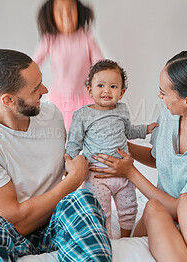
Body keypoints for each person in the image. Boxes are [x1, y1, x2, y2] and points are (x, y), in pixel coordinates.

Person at [0, 49, 112, 262]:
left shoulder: (51, 115)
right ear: (8, 100)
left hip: (56, 221)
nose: (45, 90)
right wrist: (73, 180)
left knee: (83, 200)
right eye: (36, 89)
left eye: (42, 82)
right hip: (8, 233)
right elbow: (16, 222)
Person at [90, 51, 187, 262]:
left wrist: (131, 172)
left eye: (163, 91)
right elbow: (156, 158)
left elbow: (181, 207)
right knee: (152, 207)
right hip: (165, 207)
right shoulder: (169, 118)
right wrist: (120, 145)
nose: (159, 96)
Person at [66, 59, 158, 238]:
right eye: (101, 85)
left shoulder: (122, 110)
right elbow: (74, 142)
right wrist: (69, 166)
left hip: (123, 172)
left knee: (129, 207)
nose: (107, 90)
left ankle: (125, 237)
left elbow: (128, 131)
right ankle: (105, 239)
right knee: (101, 210)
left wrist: (145, 129)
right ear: (90, 90)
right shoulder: (83, 114)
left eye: (114, 87)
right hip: (97, 174)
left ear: (122, 92)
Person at [34, 0, 103, 131]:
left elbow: (101, 65)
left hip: (86, 98)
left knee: (93, 133)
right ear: (51, 16)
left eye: (71, 10)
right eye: (60, 11)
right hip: (59, 100)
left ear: (79, 12)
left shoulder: (86, 37)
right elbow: (34, 64)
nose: (66, 15)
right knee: (60, 135)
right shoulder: (50, 39)